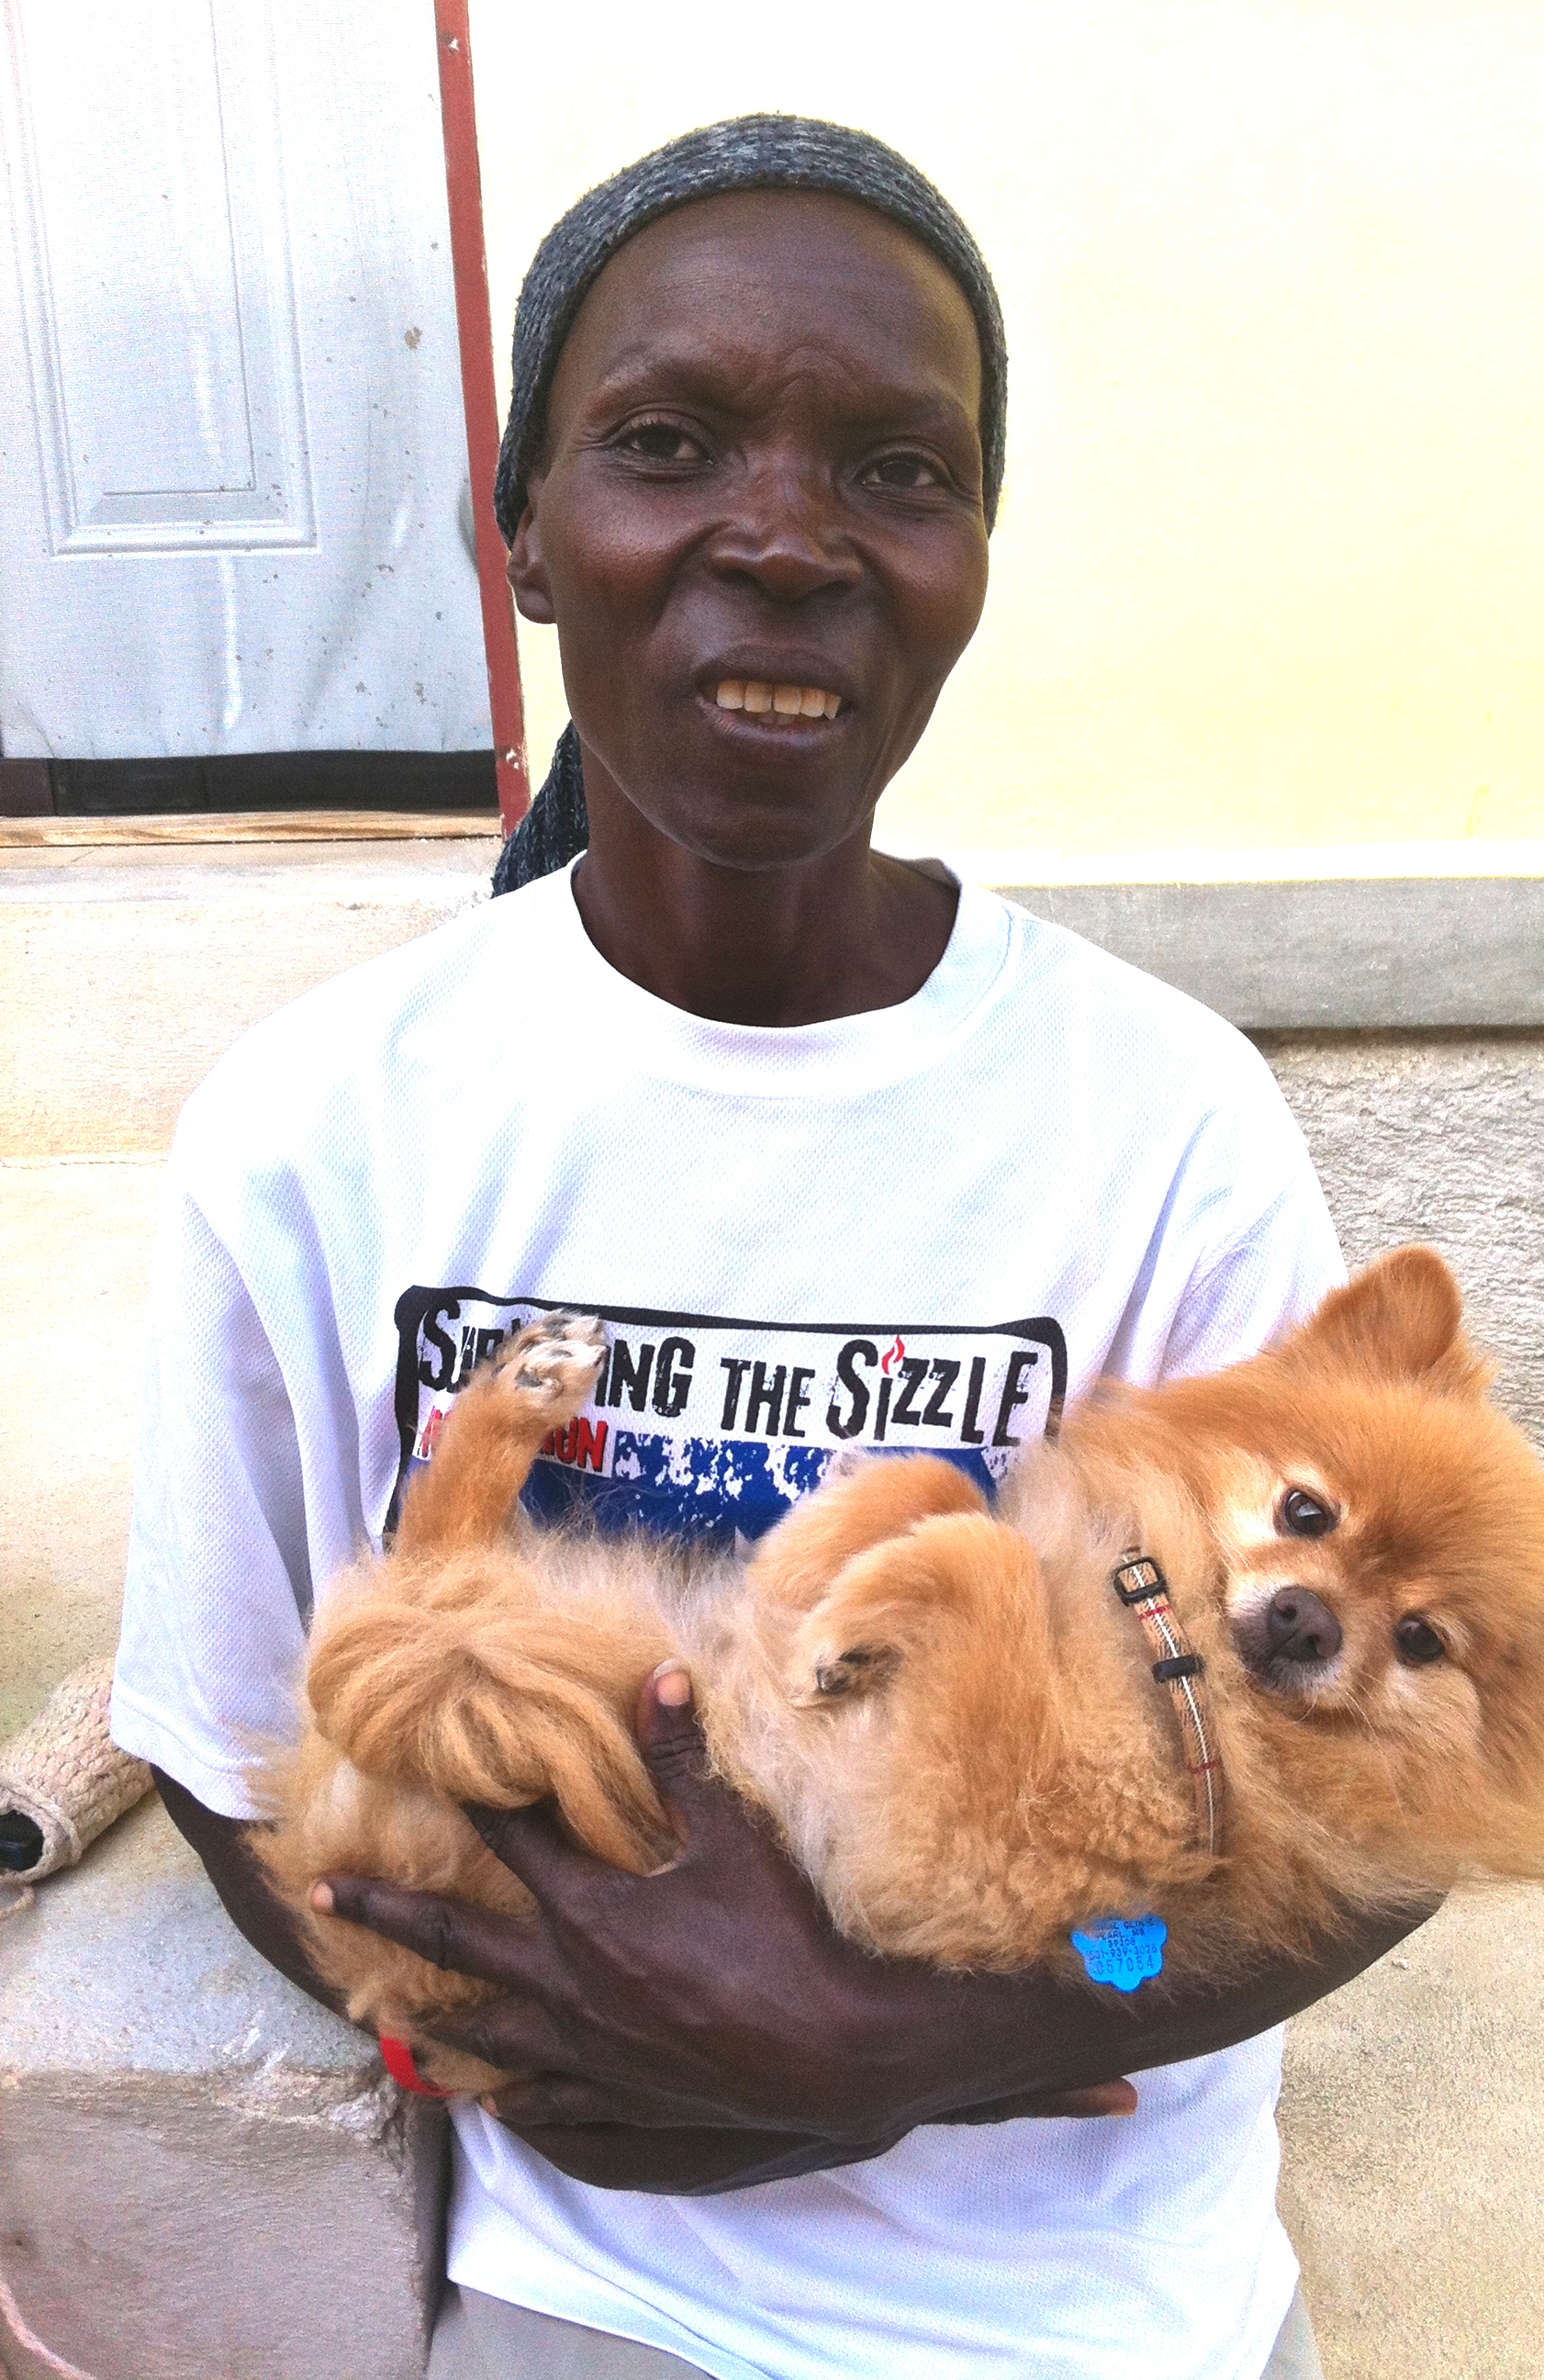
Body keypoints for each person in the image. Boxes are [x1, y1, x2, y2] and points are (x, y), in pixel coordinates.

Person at [113, 115, 1425, 2380]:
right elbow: (231, 1754)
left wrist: (925, 2042)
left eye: (898, 471)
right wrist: (481, 2037)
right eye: (666, 442)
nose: (789, 539)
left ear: (970, 559)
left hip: (1100, 2313)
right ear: (525, 532)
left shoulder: (1163, 1123)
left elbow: (1376, 1823)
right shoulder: (321, 1130)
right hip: (596, 2290)